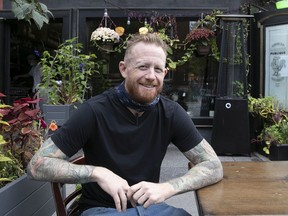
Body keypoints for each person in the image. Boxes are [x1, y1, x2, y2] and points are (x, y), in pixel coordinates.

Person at [27, 33, 223, 216]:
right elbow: (37, 165)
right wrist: (97, 173)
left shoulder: (171, 113)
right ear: (123, 68)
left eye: (157, 69)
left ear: (165, 73)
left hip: (149, 209)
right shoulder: (94, 111)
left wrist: (168, 187)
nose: (151, 76)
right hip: (100, 210)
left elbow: (213, 166)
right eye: (142, 67)